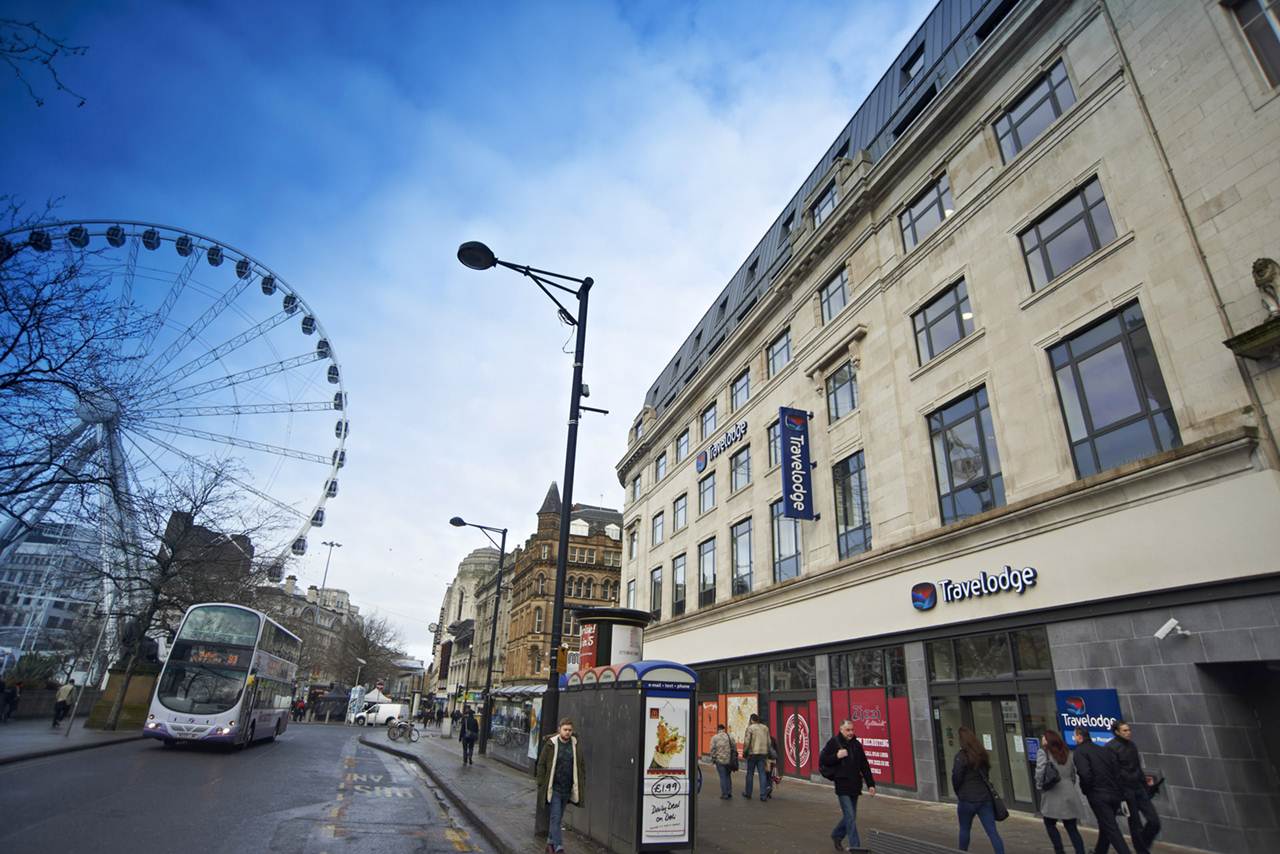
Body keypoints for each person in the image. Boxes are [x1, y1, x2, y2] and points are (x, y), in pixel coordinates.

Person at [819, 718, 877, 852]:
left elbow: (864, 765)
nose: (851, 732)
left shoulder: (857, 745)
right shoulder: (834, 742)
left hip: (855, 785)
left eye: (852, 730)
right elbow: (823, 760)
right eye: (848, 730)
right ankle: (856, 847)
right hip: (842, 784)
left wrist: (871, 784)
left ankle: (837, 835)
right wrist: (836, 756)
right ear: (841, 730)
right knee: (850, 817)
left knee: (850, 816)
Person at [1073, 726, 1132, 854]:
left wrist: (1086, 790)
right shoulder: (1103, 750)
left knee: (1111, 828)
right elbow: (1116, 772)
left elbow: (1084, 773)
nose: (1074, 738)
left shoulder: (1080, 751)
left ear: (1079, 736)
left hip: (1098, 794)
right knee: (1105, 824)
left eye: (1075, 735)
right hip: (1113, 793)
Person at [535, 717, 586, 854]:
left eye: (570, 730)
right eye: (565, 730)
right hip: (554, 789)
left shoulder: (575, 744)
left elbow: (580, 765)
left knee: (557, 819)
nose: (568, 732)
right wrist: (541, 783)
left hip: (567, 789)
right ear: (559, 729)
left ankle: (549, 843)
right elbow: (541, 764)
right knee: (556, 818)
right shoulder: (551, 744)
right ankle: (559, 848)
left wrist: (581, 782)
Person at [1108, 720, 1161, 853]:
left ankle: (1142, 844)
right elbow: (1114, 772)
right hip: (1126, 790)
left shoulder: (1132, 745)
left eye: (1129, 730)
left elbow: (1137, 767)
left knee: (1154, 821)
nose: (1128, 733)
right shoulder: (1111, 748)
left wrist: (1146, 786)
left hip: (1139, 787)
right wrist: (1120, 793)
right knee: (1135, 824)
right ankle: (1142, 850)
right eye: (1124, 731)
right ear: (1117, 732)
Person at [951, 726, 1005, 854]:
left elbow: (956, 777)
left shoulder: (961, 756)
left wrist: (959, 792)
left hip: (967, 798)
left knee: (964, 829)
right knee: (992, 832)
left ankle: (962, 851)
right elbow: (986, 774)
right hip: (984, 797)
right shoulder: (982, 754)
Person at [1036, 729, 1087, 854]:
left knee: (1049, 823)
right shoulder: (1067, 753)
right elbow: (1073, 774)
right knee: (1071, 827)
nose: (1042, 740)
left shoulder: (1044, 753)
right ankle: (1080, 851)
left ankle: (1059, 850)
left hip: (1053, 792)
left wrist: (1040, 785)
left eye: (1043, 738)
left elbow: (1040, 771)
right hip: (1069, 791)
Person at [742, 714, 772, 801]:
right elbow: (769, 742)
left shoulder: (750, 728)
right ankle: (763, 795)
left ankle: (748, 793)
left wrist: (745, 752)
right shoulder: (765, 728)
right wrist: (767, 752)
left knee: (750, 774)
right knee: (762, 774)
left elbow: (747, 742)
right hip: (763, 754)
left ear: (751, 720)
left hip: (752, 754)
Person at [709, 723, 735, 799]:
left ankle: (725, 794)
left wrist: (713, 758)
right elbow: (734, 747)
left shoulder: (715, 737)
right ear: (724, 729)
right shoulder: (730, 736)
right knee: (728, 776)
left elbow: (712, 749)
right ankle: (729, 792)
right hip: (729, 760)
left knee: (722, 777)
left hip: (719, 760)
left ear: (718, 729)